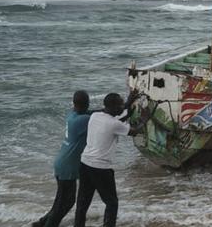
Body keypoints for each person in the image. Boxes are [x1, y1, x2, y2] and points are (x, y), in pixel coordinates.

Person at [74, 91, 145, 227]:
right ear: (113, 107)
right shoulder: (113, 124)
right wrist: (145, 119)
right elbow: (135, 131)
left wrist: (128, 104)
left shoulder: (95, 116)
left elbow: (116, 120)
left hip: (85, 164)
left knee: (83, 203)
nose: (122, 106)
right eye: (120, 104)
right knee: (112, 203)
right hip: (101, 168)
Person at [33, 91, 91, 227]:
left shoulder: (72, 115)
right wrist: (127, 106)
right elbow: (103, 115)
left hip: (62, 162)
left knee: (60, 201)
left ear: (74, 103)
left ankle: (41, 223)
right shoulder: (84, 120)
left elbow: (94, 112)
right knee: (66, 203)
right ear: (87, 103)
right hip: (68, 166)